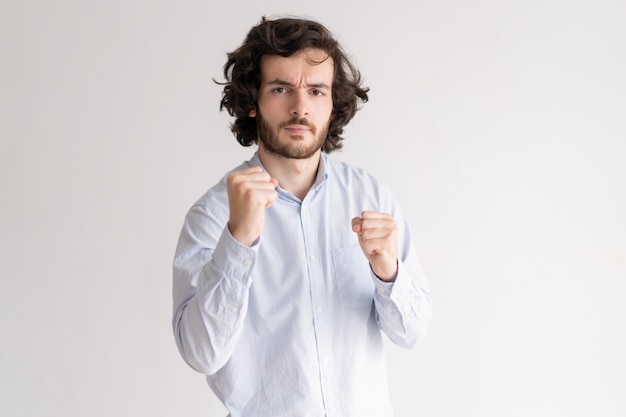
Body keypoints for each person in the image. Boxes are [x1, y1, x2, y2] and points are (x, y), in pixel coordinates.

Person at [172, 16, 431, 417]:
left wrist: (387, 271)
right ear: (252, 100)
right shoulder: (212, 215)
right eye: (280, 89)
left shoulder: (371, 197)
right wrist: (237, 242)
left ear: (333, 102)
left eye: (316, 90)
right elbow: (202, 354)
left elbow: (411, 333)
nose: (300, 107)